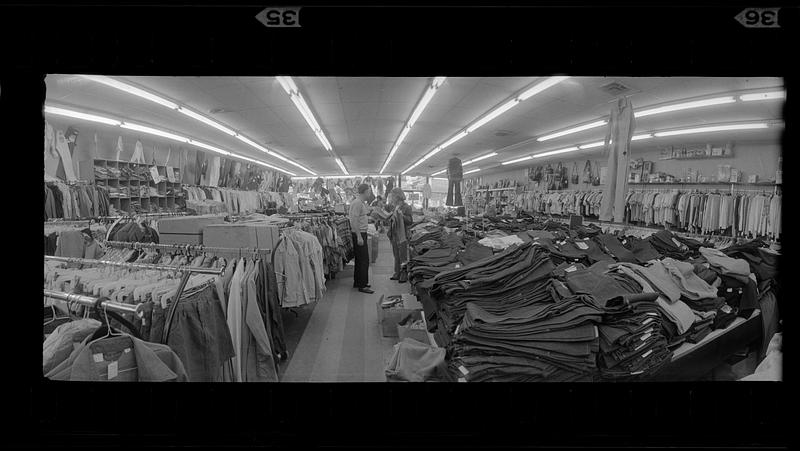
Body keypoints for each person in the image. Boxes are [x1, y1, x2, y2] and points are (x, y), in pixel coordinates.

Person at [349, 183, 374, 294]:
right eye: (369, 191)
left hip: (360, 233)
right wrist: (359, 236)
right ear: (364, 191)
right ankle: (362, 285)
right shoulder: (358, 203)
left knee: (360, 260)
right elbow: (353, 220)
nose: (370, 193)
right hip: (358, 234)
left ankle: (358, 282)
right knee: (364, 260)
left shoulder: (360, 203)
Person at [386, 187, 413, 283]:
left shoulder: (406, 207)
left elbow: (410, 221)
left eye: (392, 196)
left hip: (403, 236)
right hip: (394, 235)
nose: (391, 198)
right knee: (396, 255)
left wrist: (402, 216)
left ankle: (403, 274)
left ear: (397, 196)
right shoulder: (394, 207)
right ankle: (397, 272)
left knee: (403, 257)